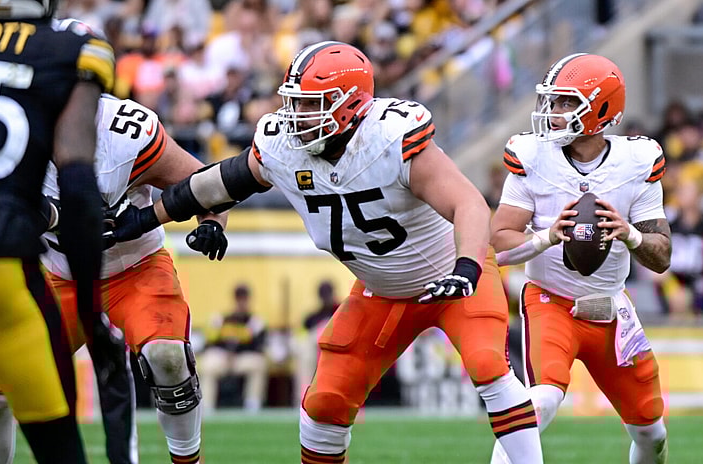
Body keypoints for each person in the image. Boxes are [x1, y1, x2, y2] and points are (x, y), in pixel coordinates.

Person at [106, 40, 544, 464]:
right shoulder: (282, 146)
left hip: (453, 275)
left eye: (312, 104)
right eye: (295, 102)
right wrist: (147, 218)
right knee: (323, 405)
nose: (297, 115)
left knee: (489, 365)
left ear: (351, 102)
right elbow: (221, 181)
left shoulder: (390, 137)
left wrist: (467, 267)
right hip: (382, 291)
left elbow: (467, 203)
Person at [488, 53, 670, 464]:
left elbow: (661, 257)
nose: (554, 112)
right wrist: (546, 238)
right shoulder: (531, 157)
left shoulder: (637, 162)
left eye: (567, 102)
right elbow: (499, 245)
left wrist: (631, 234)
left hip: (611, 308)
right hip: (551, 301)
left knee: (651, 433)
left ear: (602, 109)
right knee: (544, 399)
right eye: (553, 102)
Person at [34, 93, 226, 464]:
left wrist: (213, 223)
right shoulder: (15, 125)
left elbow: (207, 184)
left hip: (135, 268)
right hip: (60, 276)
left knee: (168, 357)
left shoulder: (127, 132)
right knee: (2, 384)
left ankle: (188, 460)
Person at [0, 1, 126, 463]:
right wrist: (92, 316)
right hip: (7, 274)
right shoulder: (74, 50)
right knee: (61, 451)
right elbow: (77, 191)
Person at [198, 284, 268, 413]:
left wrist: (237, 353)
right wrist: (226, 353)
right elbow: (208, 343)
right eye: (239, 298)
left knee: (259, 364)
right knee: (207, 365)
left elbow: (259, 346)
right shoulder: (220, 319)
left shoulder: (255, 321)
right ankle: (206, 407)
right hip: (222, 358)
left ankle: (252, 405)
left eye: (244, 298)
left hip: (242, 359)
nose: (241, 302)